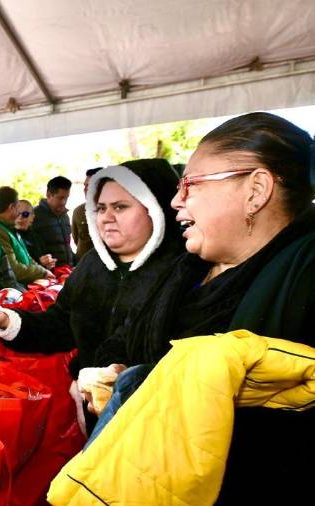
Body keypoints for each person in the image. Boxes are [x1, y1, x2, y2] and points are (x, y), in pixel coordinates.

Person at [92, 112, 314, 503]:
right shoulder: (184, 269)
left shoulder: (304, 276)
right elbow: (130, 338)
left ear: (256, 190)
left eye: (191, 184)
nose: (177, 200)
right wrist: (122, 373)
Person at [0, 160, 184, 399]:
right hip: (88, 406)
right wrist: (5, 320)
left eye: (120, 207)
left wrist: (122, 377)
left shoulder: (182, 274)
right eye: (100, 208)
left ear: (156, 209)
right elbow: (60, 325)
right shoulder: (91, 265)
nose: (106, 217)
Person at [0, 186, 52, 284]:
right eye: (18, 210)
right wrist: (42, 272)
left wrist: (42, 270)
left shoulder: (5, 228)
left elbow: (26, 258)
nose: (19, 216)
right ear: (12, 207)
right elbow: (13, 269)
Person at [33, 176, 74, 265]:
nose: (64, 202)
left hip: (67, 271)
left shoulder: (65, 216)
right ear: (48, 195)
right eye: (60, 198)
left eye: (66, 198)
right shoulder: (33, 216)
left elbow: (66, 245)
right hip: (46, 274)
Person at [13, 199, 56, 269]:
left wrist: (49, 263)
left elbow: (47, 266)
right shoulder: (8, 236)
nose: (20, 217)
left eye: (25, 214)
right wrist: (39, 262)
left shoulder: (37, 238)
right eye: (17, 213)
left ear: (32, 217)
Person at [72, 167, 103, 261]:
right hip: (84, 266)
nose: (85, 189)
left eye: (89, 186)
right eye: (84, 186)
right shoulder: (78, 211)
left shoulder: (114, 210)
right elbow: (76, 239)